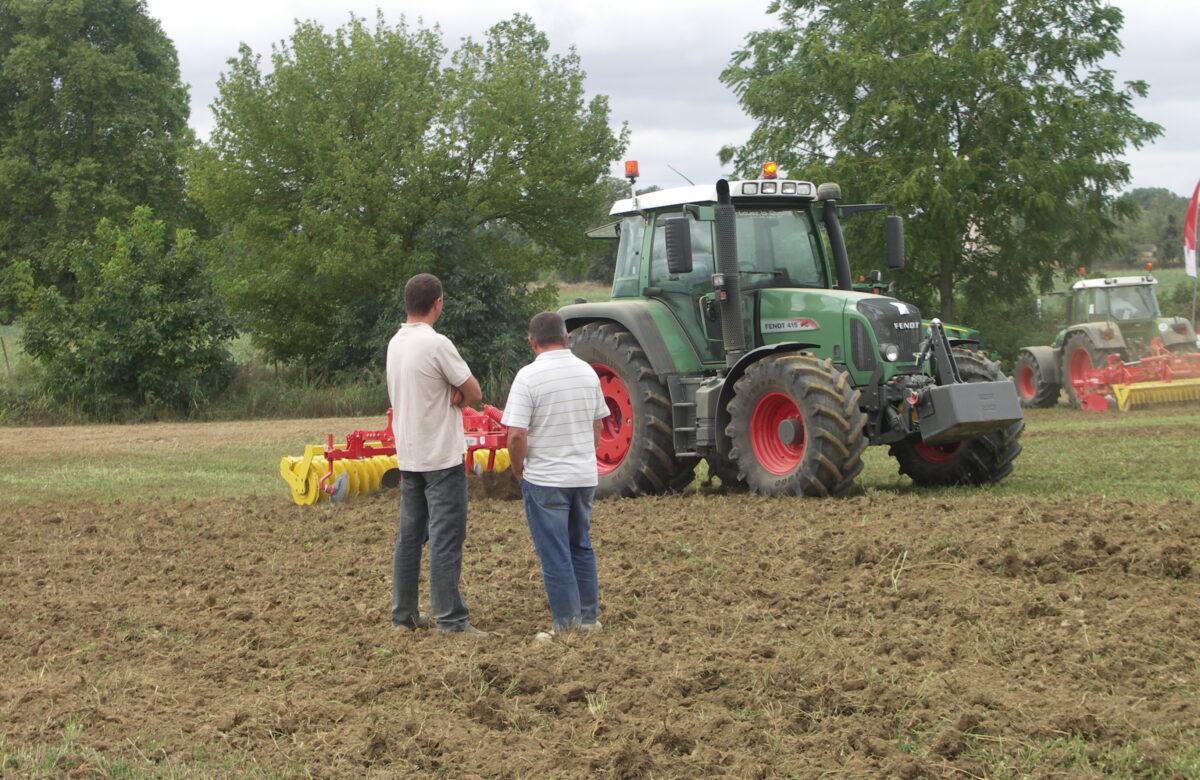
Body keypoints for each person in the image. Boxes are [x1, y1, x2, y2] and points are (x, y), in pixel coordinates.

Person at [386, 273, 489, 638]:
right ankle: (451, 620)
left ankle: (404, 616)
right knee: (446, 537)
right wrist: (459, 393)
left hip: (409, 455)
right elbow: (473, 390)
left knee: (410, 537)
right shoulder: (437, 343)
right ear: (438, 304)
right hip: (441, 457)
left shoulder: (395, 343)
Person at [502, 312, 610, 641]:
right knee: (581, 545)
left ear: (532, 342)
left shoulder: (528, 377)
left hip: (546, 478)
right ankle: (589, 619)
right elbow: (597, 425)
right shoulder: (587, 373)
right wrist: (585, 457)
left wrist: (518, 468)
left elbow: (516, 435)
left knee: (555, 553)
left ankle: (566, 625)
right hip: (583, 476)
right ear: (566, 338)